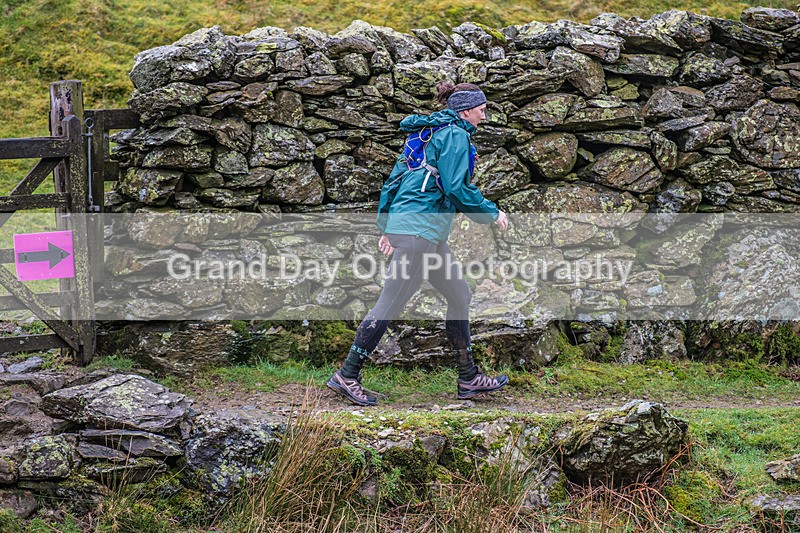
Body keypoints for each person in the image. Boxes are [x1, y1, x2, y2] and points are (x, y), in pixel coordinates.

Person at [327, 81, 510, 406]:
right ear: (466, 110)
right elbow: (455, 188)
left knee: (459, 294)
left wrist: (389, 226)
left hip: (425, 232)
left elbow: (396, 181)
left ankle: (468, 378)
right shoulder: (453, 135)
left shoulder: (429, 133)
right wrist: (491, 213)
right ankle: (348, 374)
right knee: (391, 303)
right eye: (481, 109)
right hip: (419, 231)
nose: (485, 114)